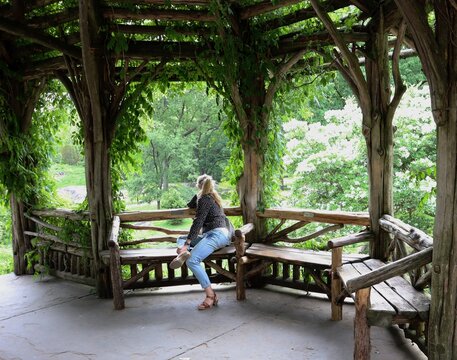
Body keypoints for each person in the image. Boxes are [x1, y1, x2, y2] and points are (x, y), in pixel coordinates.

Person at [169, 174, 231, 310]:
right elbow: (191, 205)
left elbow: (198, 222)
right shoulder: (214, 197)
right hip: (217, 234)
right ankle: (184, 253)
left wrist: (188, 243)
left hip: (216, 236)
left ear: (198, 186)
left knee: (192, 261)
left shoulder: (205, 199)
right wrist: (198, 195)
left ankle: (210, 295)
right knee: (180, 238)